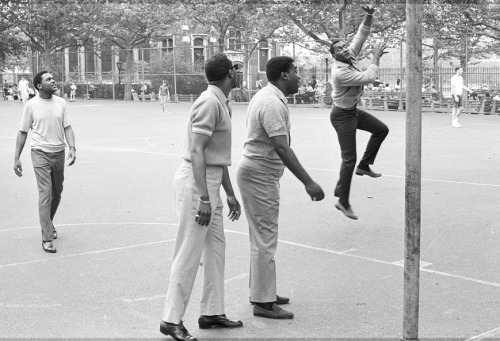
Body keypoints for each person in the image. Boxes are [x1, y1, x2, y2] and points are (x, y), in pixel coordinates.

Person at [160, 53, 243, 341]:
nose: (239, 74)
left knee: (215, 248)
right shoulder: (209, 103)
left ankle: (212, 311)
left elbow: (215, 158)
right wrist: (205, 199)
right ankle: (171, 319)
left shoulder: (220, 101)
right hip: (197, 184)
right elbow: (197, 152)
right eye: (237, 70)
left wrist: (229, 193)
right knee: (189, 251)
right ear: (230, 73)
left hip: (211, 179)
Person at [236, 56, 325, 320]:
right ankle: (263, 303)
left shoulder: (268, 96)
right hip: (259, 173)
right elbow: (281, 146)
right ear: (284, 76)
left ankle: (264, 292)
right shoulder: (272, 102)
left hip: (258, 172)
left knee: (261, 238)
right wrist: (308, 181)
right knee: (265, 238)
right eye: (295, 71)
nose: (299, 76)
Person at [329, 4, 389, 220]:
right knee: (348, 159)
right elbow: (368, 77)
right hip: (341, 116)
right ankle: (342, 201)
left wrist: (369, 15)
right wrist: (375, 59)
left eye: (345, 46)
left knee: (381, 130)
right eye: (340, 49)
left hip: (353, 112)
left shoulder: (350, 55)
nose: (345, 49)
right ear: (334, 55)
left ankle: (365, 165)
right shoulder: (340, 72)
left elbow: (361, 35)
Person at [13, 71, 76, 253]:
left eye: (53, 77)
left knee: (57, 193)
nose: (53, 80)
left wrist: (72, 147)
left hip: (59, 152)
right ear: (39, 86)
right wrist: (16, 157)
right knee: (45, 194)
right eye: (48, 79)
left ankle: (48, 223)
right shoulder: (31, 105)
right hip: (39, 152)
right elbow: (23, 131)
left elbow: (68, 127)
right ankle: (47, 237)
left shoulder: (61, 103)